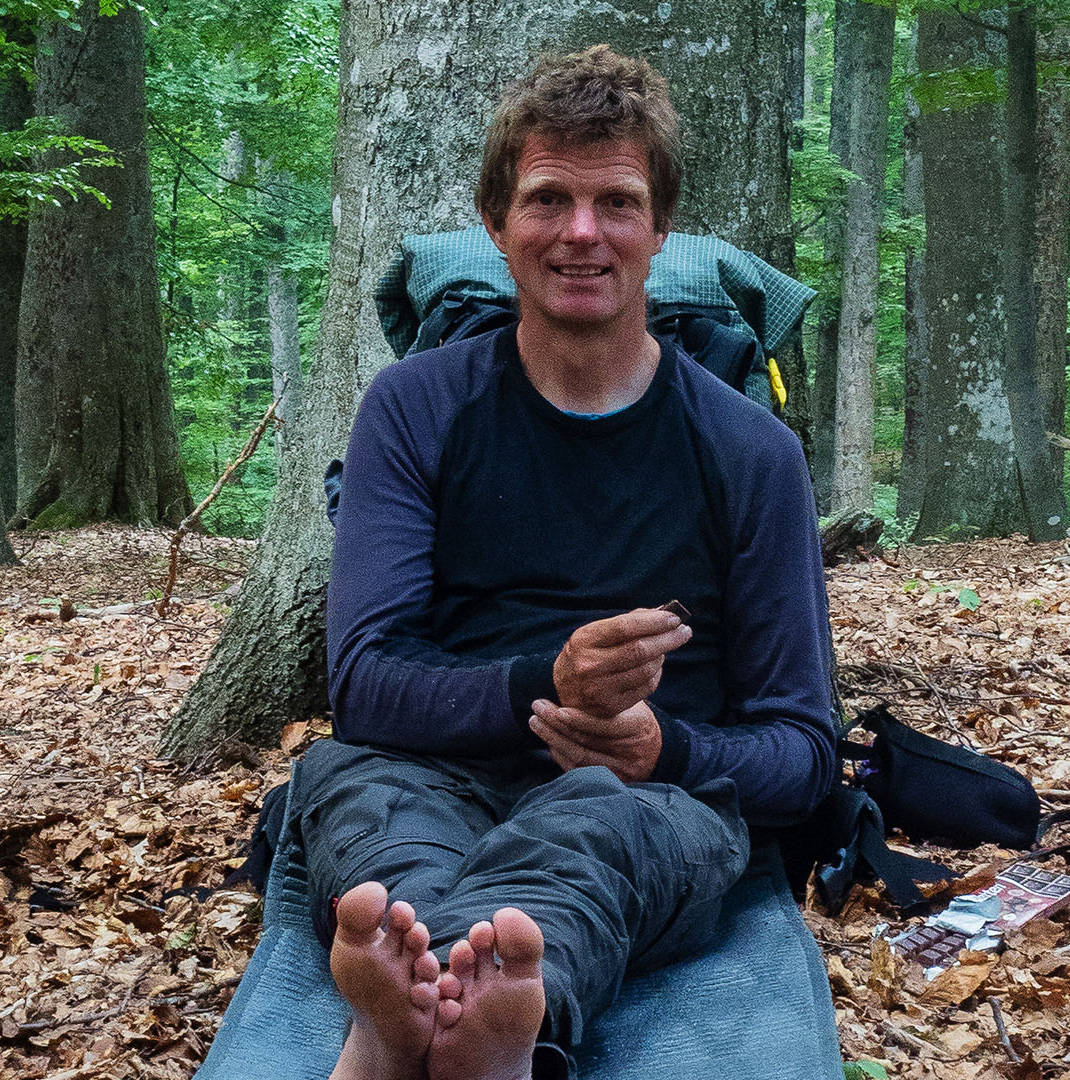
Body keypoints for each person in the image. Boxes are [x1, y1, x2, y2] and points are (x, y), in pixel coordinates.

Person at [299, 45, 837, 1080]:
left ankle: (442, 1030)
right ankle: (441, 1019)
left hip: (646, 798)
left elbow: (804, 750)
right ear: (496, 225)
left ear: (659, 230)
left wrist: (664, 750)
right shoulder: (415, 410)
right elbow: (362, 685)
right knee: (361, 798)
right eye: (549, 198)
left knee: (592, 831)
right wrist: (541, 683)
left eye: (616, 203)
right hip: (426, 768)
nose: (582, 232)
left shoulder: (750, 451)